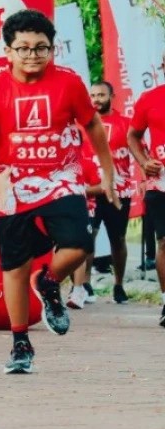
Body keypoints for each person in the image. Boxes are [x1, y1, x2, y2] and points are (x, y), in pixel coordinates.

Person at [0, 9, 118, 375]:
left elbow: (93, 126)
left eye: (41, 48)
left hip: (60, 177)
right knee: (15, 266)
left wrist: (108, 174)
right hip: (12, 183)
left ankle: (48, 281)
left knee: (79, 243)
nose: (32, 55)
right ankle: (20, 343)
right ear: (8, 51)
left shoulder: (68, 82)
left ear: (52, 49)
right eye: (24, 48)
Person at [78, 81, 137, 304]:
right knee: (88, 236)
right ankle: (84, 284)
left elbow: (138, 149)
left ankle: (118, 285)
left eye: (101, 95)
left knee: (118, 238)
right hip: (90, 190)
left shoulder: (125, 123)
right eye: (93, 95)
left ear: (112, 96)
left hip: (118, 191)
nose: (96, 99)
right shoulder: (81, 125)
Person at [128, 54, 165, 328]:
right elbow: (133, 135)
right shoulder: (150, 98)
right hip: (160, 181)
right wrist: (143, 162)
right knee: (164, 242)